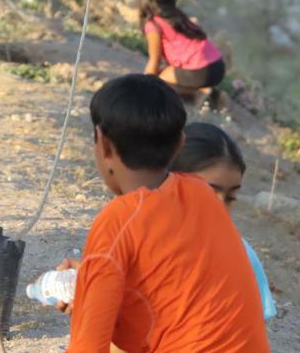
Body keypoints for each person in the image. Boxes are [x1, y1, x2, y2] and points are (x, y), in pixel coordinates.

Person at [66, 74, 270, 352]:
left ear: (104, 144)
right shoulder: (201, 195)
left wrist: (90, 290)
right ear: (179, 145)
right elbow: (169, 286)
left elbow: (88, 347)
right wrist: (89, 279)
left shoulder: (118, 220)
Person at [171, 122, 277, 322]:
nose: (220, 211)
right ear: (167, 183)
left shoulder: (241, 258)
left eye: (230, 198)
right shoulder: (132, 244)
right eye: (207, 193)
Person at [138, 0, 226, 95]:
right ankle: (208, 92)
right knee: (166, 73)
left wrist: (143, 88)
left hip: (201, 71)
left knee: (158, 83)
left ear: (144, 2)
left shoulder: (153, 24)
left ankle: (199, 95)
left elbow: (154, 60)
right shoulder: (178, 16)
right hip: (218, 67)